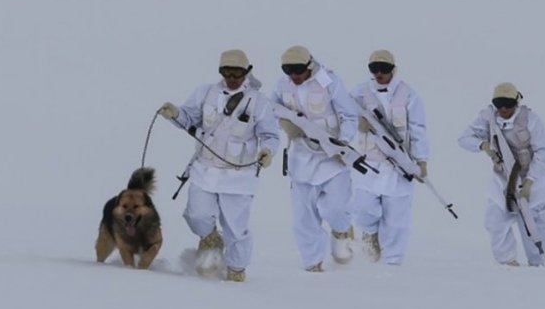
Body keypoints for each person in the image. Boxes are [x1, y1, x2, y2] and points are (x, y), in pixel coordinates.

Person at [157, 49, 280, 282]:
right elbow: (188, 118)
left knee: (236, 228)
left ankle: (236, 269)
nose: (232, 78)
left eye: (237, 73)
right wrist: (174, 113)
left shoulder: (259, 102)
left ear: (247, 72)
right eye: (227, 72)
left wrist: (267, 152)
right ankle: (210, 238)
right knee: (196, 215)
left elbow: (271, 135)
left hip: (239, 176)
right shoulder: (205, 93)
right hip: (205, 170)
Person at [272, 45, 359, 272]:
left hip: (332, 158)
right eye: (289, 71)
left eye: (298, 70)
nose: (294, 76)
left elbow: (349, 115)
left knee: (336, 209)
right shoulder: (282, 85)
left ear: (309, 66)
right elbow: (269, 109)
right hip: (300, 159)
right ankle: (313, 263)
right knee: (303, 218)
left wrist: (343, 143)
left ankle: (342, 232)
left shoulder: (329, 81)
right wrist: (286, 124)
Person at [350, 49, 429, 265]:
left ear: (392, 69)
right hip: (369, 164)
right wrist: (357, 122)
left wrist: (421, 160)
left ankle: (393, 262)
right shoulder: (360, 92)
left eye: (384, 69)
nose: (379, 74)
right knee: (364, 208)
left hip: (399, 166)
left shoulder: (408, 94)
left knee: (397, 220)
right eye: (374, 69)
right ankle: (369, 234)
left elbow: (418, 129)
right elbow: (343, 116)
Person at [458, 82, 545, 267]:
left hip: (530, 180)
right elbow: (464, 138)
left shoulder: (531, 119)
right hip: (502, 180)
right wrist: (483, 145)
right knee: (495, 221)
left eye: (508, 104)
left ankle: (537, 263)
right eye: (499, 103)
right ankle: (507, 261)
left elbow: (543, 151)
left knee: (531, 224)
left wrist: (531, 181)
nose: (504, 109)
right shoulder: (488, 118)